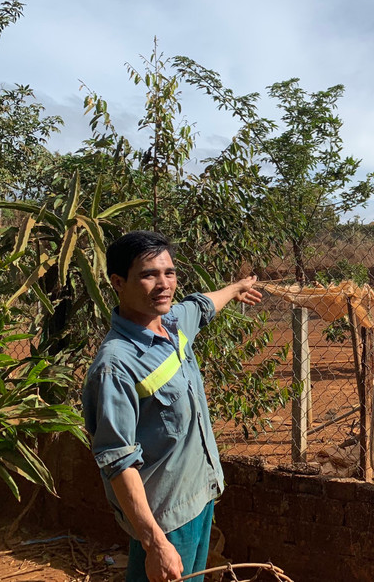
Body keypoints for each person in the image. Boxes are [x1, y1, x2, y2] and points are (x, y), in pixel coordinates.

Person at [82, 231, 262, 582]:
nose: (163, 284)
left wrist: (236, 288)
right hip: (166, 518)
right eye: (149, 274)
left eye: (170, 272)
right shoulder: (115, 366)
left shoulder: (174, 325)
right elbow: (118, 463)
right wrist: (155, 544)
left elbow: (203, 305)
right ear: (118, 282)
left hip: (200, 497)